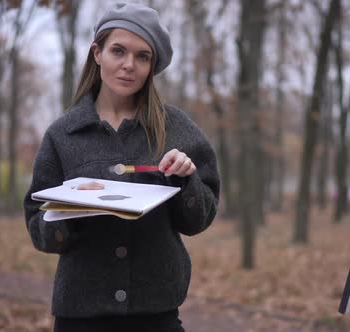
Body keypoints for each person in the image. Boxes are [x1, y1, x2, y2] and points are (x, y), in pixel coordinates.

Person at [23, 3, 220, 332]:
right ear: (97, 53)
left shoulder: (177, 128)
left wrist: (188, 180)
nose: (129, 65)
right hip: (80, 316)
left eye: (143, 56)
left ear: (151, 66)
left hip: (157, 315)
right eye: (118, 51)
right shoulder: (62, 135)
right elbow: (41, 234)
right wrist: (68, 209)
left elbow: (200, 219)